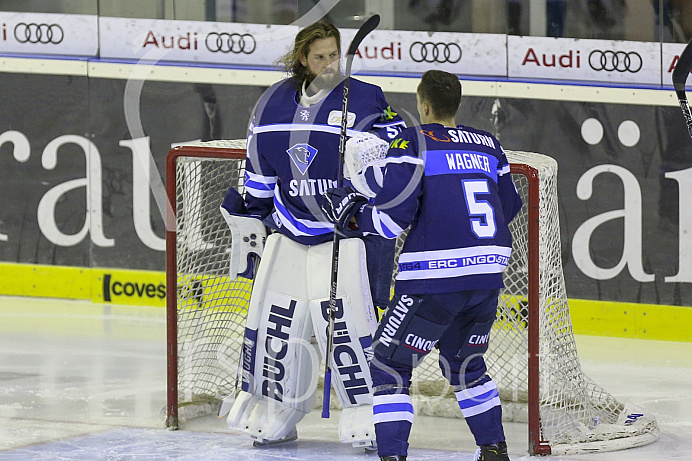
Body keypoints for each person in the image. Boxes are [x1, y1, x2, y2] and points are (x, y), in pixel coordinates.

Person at [220, 20, 405, 450]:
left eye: (333, 56)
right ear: (303, 59)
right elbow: (258, 171)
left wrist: (373, 157)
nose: (328, 64)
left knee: (345, 324)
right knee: (276, 322)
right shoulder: (271, 103)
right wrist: (249, 218)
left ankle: (366, 410)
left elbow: (396, 146)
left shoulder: (365, 97)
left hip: (341, 234)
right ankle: (277, 405)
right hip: (287, 231)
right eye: (319, 57)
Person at [322, 70, 523, 461]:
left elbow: (391, 221)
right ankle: (494, 450)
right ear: (456, 104)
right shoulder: (489, 144)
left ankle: (393, 456)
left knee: (388, 368)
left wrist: (352, 214)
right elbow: (509, 207)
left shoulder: (411, 141)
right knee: (466, 366)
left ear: (423, 104)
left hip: (432, 281)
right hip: (486, 276)